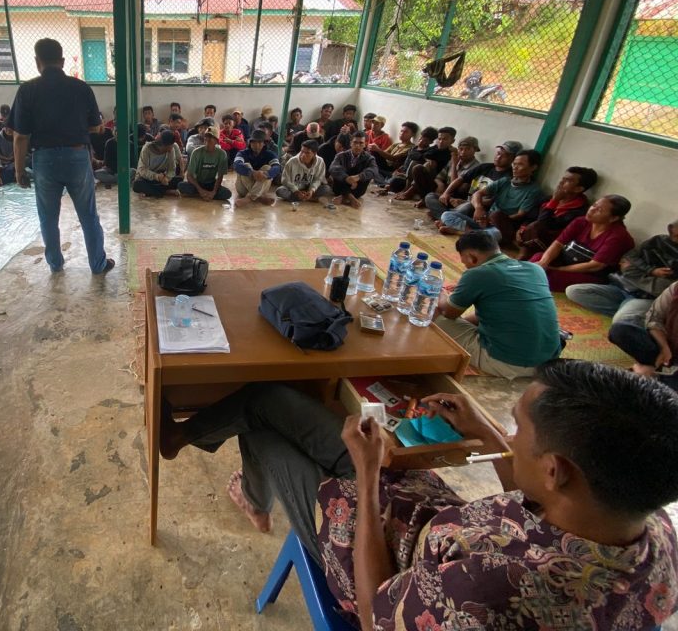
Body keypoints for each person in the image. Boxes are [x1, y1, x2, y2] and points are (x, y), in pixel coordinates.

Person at [158, 360, 678, 631]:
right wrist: (484, 432)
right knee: (269, 397)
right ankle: (182, 440)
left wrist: (365, 477)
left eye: (517, 429)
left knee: (265, 432)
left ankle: (255, 499)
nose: (510, 435)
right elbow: (541, 500)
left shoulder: (489, 595)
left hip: (364, 551)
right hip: (412, 505)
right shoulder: (647, 526)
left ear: (555, 469)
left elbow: (372, 613)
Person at [10, 38, 113, 274]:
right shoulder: (81, 88)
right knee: (88, 215)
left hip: (44, 160)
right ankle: (97, 264)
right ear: (63, 61)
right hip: (77, 156)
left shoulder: (27, 89)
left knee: (48, 217)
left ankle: (55, 264)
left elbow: (20, 136)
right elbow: (96, 127)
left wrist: (18, 171)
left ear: (37, 62)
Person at [436, 230, 560, 379]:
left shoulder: (478, 274)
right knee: (499, 310)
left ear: (472, 257)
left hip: (508, 363)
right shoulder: (535, 269)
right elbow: (502, 310)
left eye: (466, 264)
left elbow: (448, 313)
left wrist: (440, 292)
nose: (467, 268)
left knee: (430, 314)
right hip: (547, 362)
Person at [568, 217, 678, 325]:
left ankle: (630, 315)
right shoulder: (658, 240)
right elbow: (629, 256)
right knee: (574, 291)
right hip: (622, 286)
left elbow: (663, 288)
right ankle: (633, 315)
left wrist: (631, 271)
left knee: (619, 321)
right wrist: (650, 270)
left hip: (645, 297)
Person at [530, 195, 635, 292]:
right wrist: (543, 263)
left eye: (599, 210)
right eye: (594, 205)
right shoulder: (581, 222)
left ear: (613, 218)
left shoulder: (618, 236)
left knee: (548, 278)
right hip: (567, 262)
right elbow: (558, 244)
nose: (592, 210)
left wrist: (558, 269)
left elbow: (594, 266)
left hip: (591, 274)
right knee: (538, 258)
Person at [439, 149, 543, 244]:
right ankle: (472, 233)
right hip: (485, 222)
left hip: (501, 227)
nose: (515, 168)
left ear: (533, 167)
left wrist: (490, 219)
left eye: (520, 165)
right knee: (446, 215)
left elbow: (519, 215)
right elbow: (477, 193)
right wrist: (479, 208)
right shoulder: (505, 181)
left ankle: (463, 232)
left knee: (494, 233)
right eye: (514, 164)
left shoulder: (534, 190)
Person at [424, 139, 520, 222]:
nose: (498, 157)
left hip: (476, 208)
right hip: (461, 203)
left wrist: (465, 202)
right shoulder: (485, 167)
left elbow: (492, 201)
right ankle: (448, 218)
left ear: (513, 159)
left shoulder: (509, 177)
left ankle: (445, 218)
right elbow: (460, 179)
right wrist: (446, 193)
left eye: (504, 156)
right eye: (498, 153)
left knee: (467, 207)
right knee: (430, 196)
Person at [516, 166, 596, 259]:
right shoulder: (549, 198)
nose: (561, 182)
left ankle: (522, 257)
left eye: (568, 181)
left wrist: (554, 201)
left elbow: (544, 224)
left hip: (551, 246)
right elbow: (532, 215)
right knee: (499, 215)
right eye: (563, 179)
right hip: (530, 237)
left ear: (578, 189)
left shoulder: (578, 211)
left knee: (536, 226)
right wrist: (523, 228)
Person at [609, 281, 678, 379]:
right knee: (619, 330)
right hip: (669, 349)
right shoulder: (675, 288)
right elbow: (655, 318)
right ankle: (654, 370)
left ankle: (656, 376)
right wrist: (664, 347)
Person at [392, 126, 456, 201]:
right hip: (426, 180)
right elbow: (424, 154)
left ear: (452, 141)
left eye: (445, 139)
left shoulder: (452, 153)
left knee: (423, 166)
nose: (441, 141)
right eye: (439, 139)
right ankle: (407, 189)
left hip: (438, 184)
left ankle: (409, 192)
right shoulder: (436, 147)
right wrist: (428, 158)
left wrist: (427, 158)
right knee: (415, 163)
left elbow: (425, 155)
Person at [179, 125, 231, 202]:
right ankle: (203, 194)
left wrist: (214, 192)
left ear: (216, 141)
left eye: (210, 137)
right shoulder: (196, 152)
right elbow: (189, 176)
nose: (207, 139)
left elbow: (220, 176)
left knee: (227, 193)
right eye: (206, 136)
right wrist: (200, 190)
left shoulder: (222, 154)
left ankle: (204, 194)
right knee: (181, 186)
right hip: (198, 183)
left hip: (211, 183)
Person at [329, 131, 379, 209]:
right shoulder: (341, 155)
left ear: (365, 144)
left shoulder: (369, 158)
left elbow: (374, 170)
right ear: (350, 143)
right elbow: (333, 168)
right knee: (337, 175)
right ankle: (351, 197)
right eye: (355, 142)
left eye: (361, 143)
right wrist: (346, 178)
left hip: (357, 187)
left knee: (367, 176)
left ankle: (343, 196)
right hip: (343, 184)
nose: (357, 146)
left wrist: (358, 177)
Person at [382, 126, 437, 195]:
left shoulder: (427, 152)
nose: (421, 141)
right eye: (421, 138)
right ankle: (390, 185)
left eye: (425, 140)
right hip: (402, 173)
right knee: (389, 178)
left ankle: (401, 188)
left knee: (394, 181)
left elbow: (418, 167)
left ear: (431, 142)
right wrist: (399, 170)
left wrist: (403, 174)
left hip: (411, 178)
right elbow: (406, 163)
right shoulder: (413, 148)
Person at [276, 140, 333, 206]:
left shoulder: (320, 161)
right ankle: (309, 199)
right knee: (280, 191)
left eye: (307, 153)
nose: (303, 155)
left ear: (314, 153)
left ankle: (303, 198)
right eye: (302, 151)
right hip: (295, 188)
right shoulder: (292, 161)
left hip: (309, 188)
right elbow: (285, 180)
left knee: (327, 188)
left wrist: (311, 190)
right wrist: (296, 191)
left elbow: (318, 179)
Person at [233, 129, 280, 207]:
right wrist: (252, 172)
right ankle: (259, 197)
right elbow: (236, 165)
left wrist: (266, 174)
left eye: (259, 142)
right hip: (243, 188)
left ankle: (249, 198)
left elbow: (277, 167)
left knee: (267, 167)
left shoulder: (270, 154)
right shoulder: (242, 153)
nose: (256, 145)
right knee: (246, 166)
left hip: (262, 187)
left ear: (264, 143)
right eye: (253, 142)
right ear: (250, 143)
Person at [133, 130, 183, 198]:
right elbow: (142, 170)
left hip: (162, 179)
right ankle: (165, 191)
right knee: (137, 185)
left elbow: (172, 170)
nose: (172, 147)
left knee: (179, 180)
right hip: (147, 178)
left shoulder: (171, 150)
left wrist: (167, 178)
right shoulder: (147, 148)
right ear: (164, 145)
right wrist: (157, 176)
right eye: (170, 145)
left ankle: (150, 192)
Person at [429, 135, 480, 201]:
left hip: (458, 197)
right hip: (444, 192)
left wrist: (454, 165)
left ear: (475, 150)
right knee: (430, 195)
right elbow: (439, 177)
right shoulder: (453, 160)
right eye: (461, 149)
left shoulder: (476, 167)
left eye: (468, 149)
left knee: (463, 187)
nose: (463, 152)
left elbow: (454, 186)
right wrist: (440, 184)